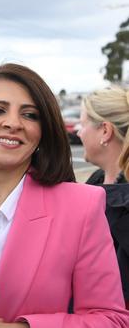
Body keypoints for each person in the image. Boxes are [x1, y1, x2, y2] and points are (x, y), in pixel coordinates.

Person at [0, 63, 129, 327]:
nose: (13, 123)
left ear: (42, 131)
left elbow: (111, 319)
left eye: (30, 115)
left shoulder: (82, 206)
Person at [78, 85, 129, 308]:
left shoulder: (122, 207)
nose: (79, 132)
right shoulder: (98, 180)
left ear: (105, 131)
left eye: (83, 124)